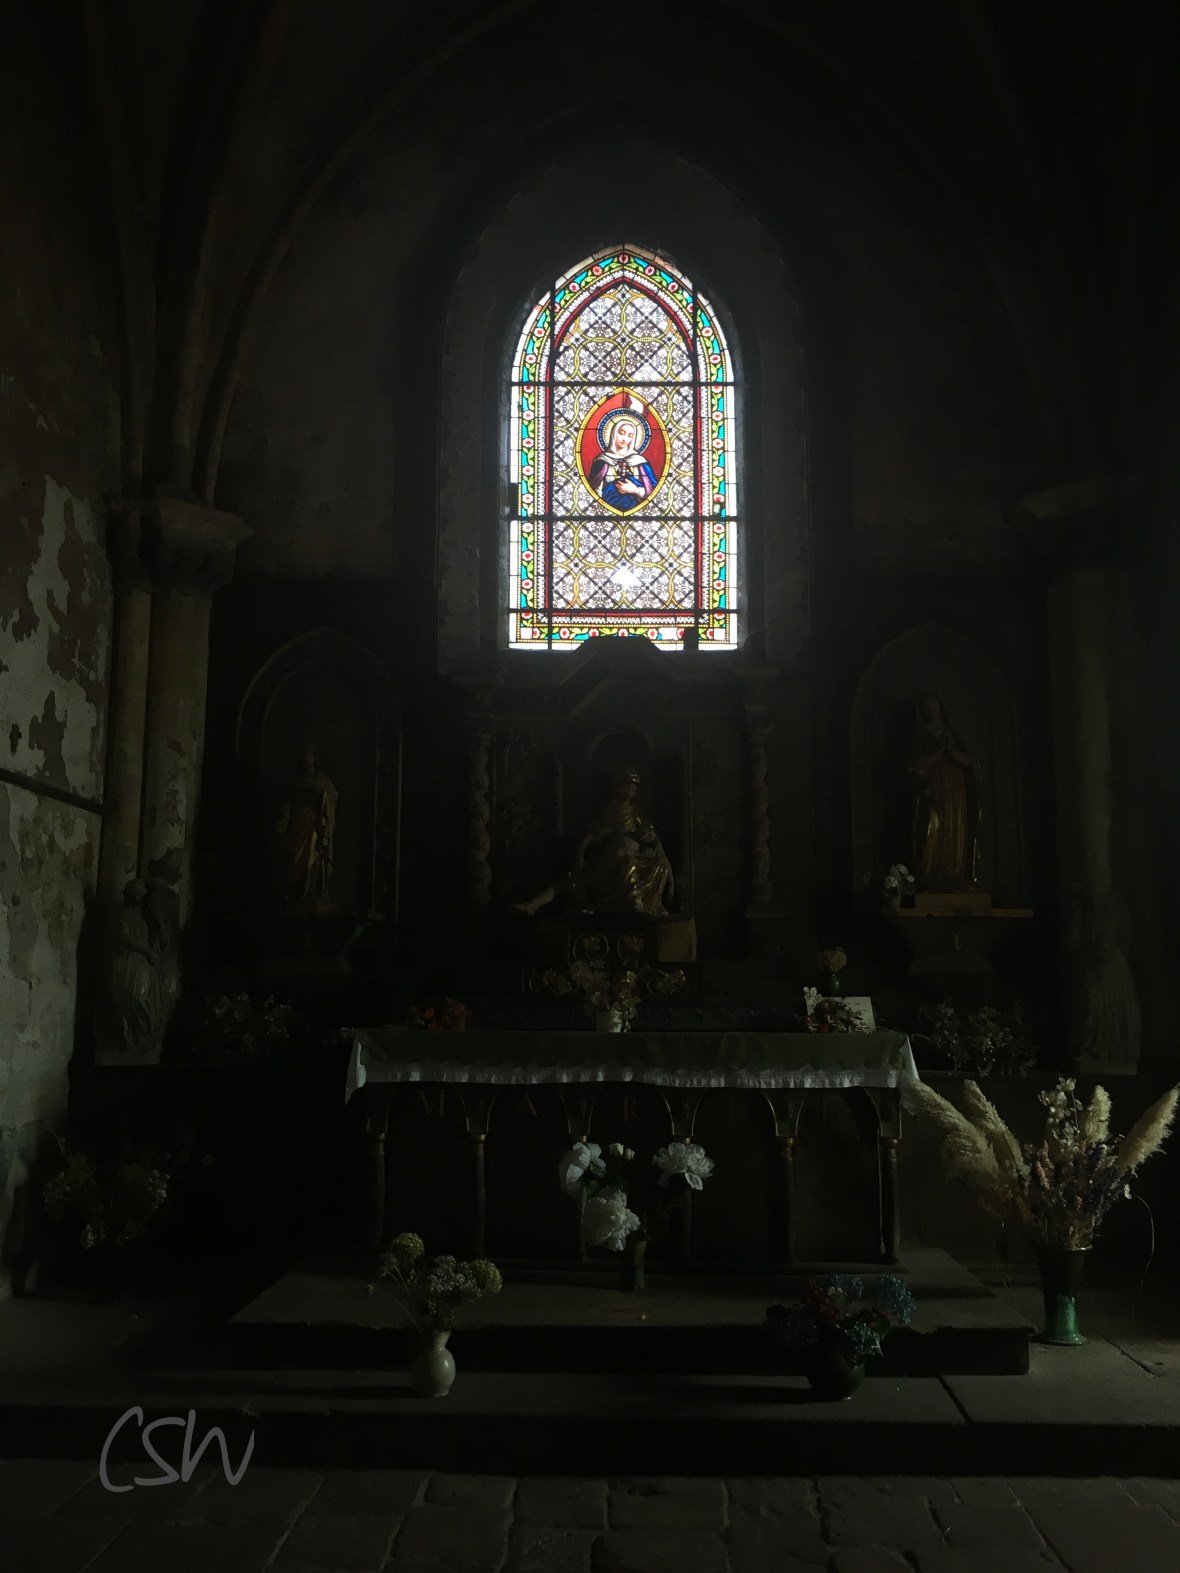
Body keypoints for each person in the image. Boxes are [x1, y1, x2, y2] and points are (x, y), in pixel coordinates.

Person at [515, 767, 673, 916]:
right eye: (626, 786)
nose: (630, 792)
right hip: (610, 855)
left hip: (631, 856)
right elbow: (592, 836)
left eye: (633, 788)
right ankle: (532, 905)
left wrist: (654, 843)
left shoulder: (636, 815)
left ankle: (639, 903)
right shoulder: (608, 812)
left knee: (657, 865)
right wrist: (580, 855)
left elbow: (649, 835)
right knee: (576, 881)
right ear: (617, 786)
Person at [908, 695, 981, 890]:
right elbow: (916, 767)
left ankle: (954, 873)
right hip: (934, 789)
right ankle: (930, 872)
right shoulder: (921, 735)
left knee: (955, 828)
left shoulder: (951, 734)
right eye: (927, 707)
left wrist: (952, 753)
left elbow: (969, 762)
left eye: (934, 706)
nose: (932, 710)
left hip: (955, 792)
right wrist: (938, 754)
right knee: (933, 825)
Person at [276, 743, 339, 904]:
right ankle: (295, 892)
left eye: (309, 755)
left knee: (313, 855)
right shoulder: (295, 780)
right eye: (304, 755)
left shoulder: (322, 779)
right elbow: (288, 803)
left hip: (314, 826)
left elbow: (332, 796)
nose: (307, 758)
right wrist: (283, 821)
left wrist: (322, 795)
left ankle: (313, 890)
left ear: (315, 758)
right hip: (298, 826)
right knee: (295, 858)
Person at [587, 408, 656, 513]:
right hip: (606, 512)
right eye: (622, 433)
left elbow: (654, 492)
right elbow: (592, 490)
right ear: (614, 433)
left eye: (630, 436)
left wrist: (636, 490)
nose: (625, 439)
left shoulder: (640, 462)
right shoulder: (601, 462)